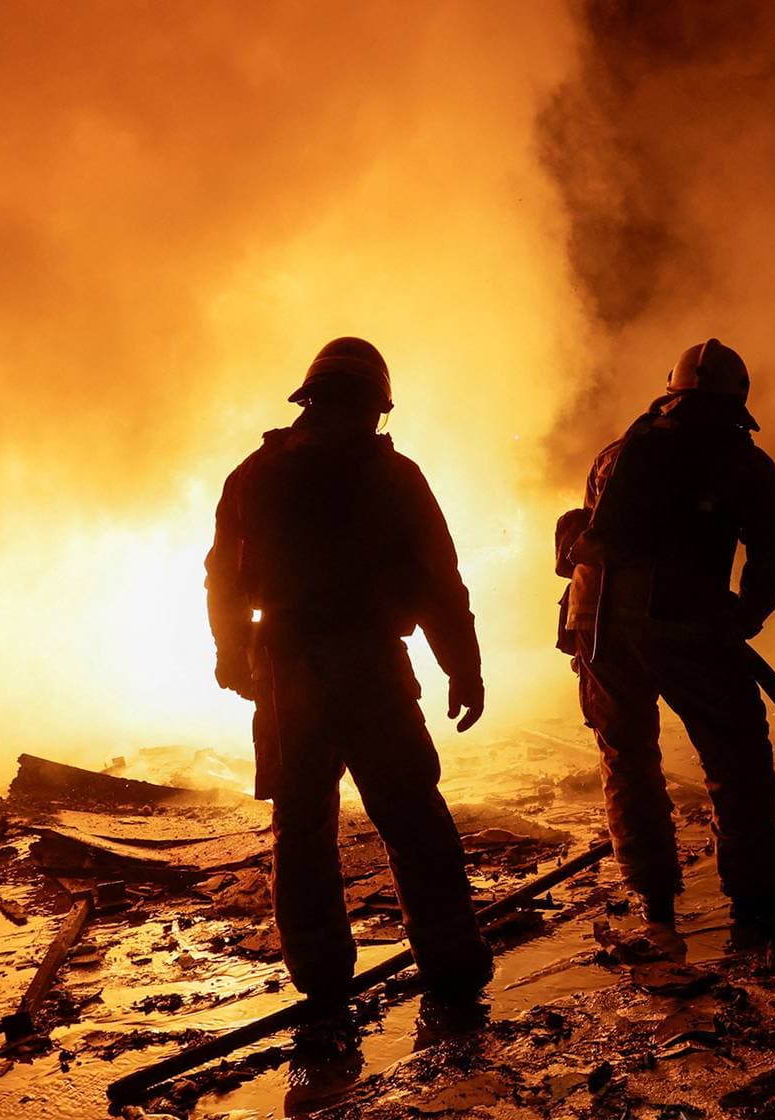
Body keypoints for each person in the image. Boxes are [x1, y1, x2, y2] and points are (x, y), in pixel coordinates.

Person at [205, 336, 492, 1010]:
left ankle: (322, 981)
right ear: (374, 406)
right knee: (413, 821)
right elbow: (438, 583)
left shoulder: (254, 474)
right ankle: (452, 972)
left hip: (286, 669)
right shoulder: (395, 477)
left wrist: (230, 653)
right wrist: (463, 668)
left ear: (310, 398)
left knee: (303, 830)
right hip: (369, 668)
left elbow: (222, 578)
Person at [556, 338, 775, 934]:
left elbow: (590, 533)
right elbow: (772, 552)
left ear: (672, 390)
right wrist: (748, 613)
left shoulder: (621, 450)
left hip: (598, 625)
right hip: (684, 622)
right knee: (735, 756)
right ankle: (755, 898)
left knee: (627, 758)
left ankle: (654, 899)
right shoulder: (741, 460)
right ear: (736, 399)